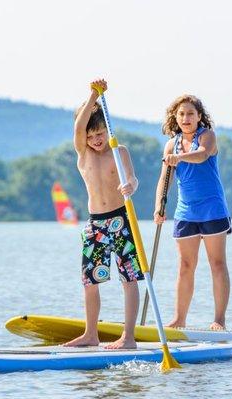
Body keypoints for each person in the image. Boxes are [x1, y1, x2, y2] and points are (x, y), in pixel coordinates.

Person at [64, 79, 144, 349]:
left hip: (121, 220)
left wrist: (130, 186)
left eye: (99, 134)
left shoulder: (119, 152)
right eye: (90, 136)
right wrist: (92, 96)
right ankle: (91, 334)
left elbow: (133, 179)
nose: (96, 140)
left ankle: (129, 337)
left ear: (107, 130)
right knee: (90, 281)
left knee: (129, 278)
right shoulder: (83, 154)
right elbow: (79, 126)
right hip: (95, 223)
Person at [153, 94, 231, 330]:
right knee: (185, 266)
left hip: (212, 209)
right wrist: (159, 207)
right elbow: (164, 180)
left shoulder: (207, 136)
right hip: (185, 212)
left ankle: (219, 319)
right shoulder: (171, 144)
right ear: (175, 118)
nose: (186, 118)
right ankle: (179, 319)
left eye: (190, 114)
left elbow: (202, 155)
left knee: (217, 263)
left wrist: (178, 157)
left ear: (199, 116)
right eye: (181, 114)